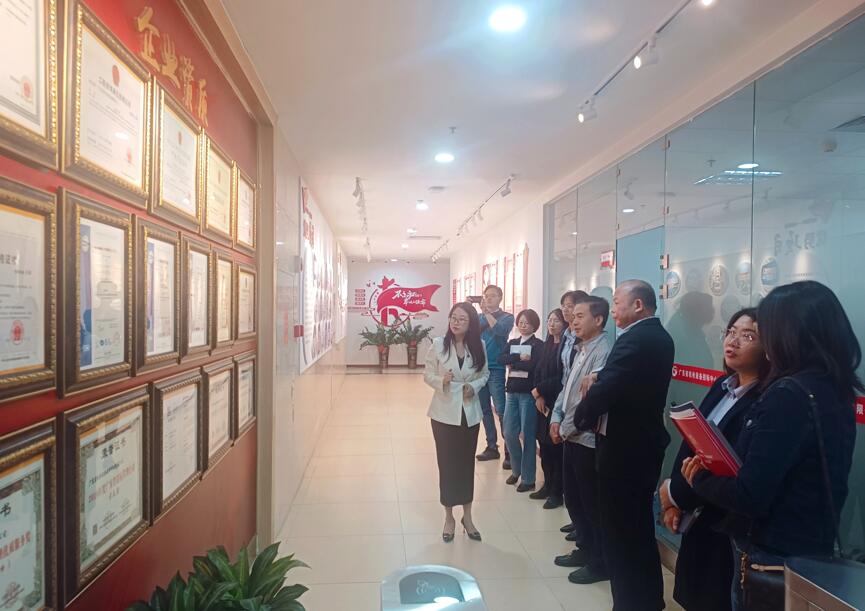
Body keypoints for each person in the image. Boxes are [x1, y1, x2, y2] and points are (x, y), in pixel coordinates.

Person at [682, 281, 862, 611]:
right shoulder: (833, 388)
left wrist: (698, 479)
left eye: (766, 329)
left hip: (772, 550)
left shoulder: (786, 395)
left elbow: (750, 494)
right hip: (810, 542)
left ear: (790, 333)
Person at [573, 279, 674, 611]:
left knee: (622, 534)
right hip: (639, 447)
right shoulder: (655, 336)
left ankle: (632, 602)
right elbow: (618, 378)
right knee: (637, 530)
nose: (613, 309)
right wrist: (599, 377)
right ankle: (647, 599)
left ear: (638, 305)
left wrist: (581, 416)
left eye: (617, 302)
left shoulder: (637, 339)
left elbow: (609, 388)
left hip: (626, 451)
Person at [659, 308, 767, 611]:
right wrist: (671, 498)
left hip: (723, 516)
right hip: (696, 510)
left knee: (714, 596)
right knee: (694, 593)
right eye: (731, 332)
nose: (734, 341)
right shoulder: (722, 386)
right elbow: (691, 445)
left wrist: (676, 495)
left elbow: (724, 465)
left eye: (748, 336)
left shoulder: (763, 401)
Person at [551, 296, 612, 584]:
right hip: (570, 434)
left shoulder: (604, 350)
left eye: (579, 316)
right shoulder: (580, 347)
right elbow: (567, 389)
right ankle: (584, 548)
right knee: (574, 498)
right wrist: (555, 417)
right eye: (572, 316)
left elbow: (585, 401)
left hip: (586, 437)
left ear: (598, 320)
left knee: (590, 503)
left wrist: (564, 428)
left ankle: (599, 561)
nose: (573, 321)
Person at [424, 302, 490, 543]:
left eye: (462, 319)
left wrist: (473, 386)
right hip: (444, 414)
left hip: (468, 414)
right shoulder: (438, 344)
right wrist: (441, 380)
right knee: (447, 465)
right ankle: (449, 517)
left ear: (471, 323)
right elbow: (427, 374)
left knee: (466, 465)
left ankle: (468, 517)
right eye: (453, 317)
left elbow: (485, 374)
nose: (456, 322)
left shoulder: (479, 345)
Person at [550, 290, 589, 537]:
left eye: (572, 307)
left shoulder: (591, 344)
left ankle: (583, 530)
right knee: (571, 475)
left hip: (578, 415)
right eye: (564, 306)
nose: (567, 311)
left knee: (581, 481)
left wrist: (565, 423)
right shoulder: (566, 335)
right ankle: (578, 523)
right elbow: (565, 375)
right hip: (562, 402)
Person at [500, 309, 544, 492]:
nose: (523, 326)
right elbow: (501, 358)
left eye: (527, 323)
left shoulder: (538, 345)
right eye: (521, 322)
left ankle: (528, 478)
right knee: (509, 432)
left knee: (528, 435)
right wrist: (519, 358)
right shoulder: (513, 342)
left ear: (534, 325)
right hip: (511, 392)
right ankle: (516, 470)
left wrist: (514, 363)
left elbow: (533, 366)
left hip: (528, 394)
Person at [530, 308, 567, 509]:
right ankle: (547, 484)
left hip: (556, 402)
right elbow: (537, 371)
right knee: (543, 446)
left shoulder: (566, 347)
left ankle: (557, 492)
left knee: (555, 448)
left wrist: (540, 390)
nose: (552, 324)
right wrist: (538, 394)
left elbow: (561, 378)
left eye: (556, 320)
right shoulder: (546, 346)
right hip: (542, 402)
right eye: (549, 320)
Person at [475, 285, 515, 467]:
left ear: (500, 298)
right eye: (486, 296)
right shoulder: (478, 318)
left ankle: (510, 450)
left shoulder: (507, 317)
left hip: (496, 369)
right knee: (484, 409)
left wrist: (487, 313)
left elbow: (500, 331)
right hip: (479, 369)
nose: (489, 299)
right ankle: (492, 447)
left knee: (501, 410)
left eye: (493, 296)